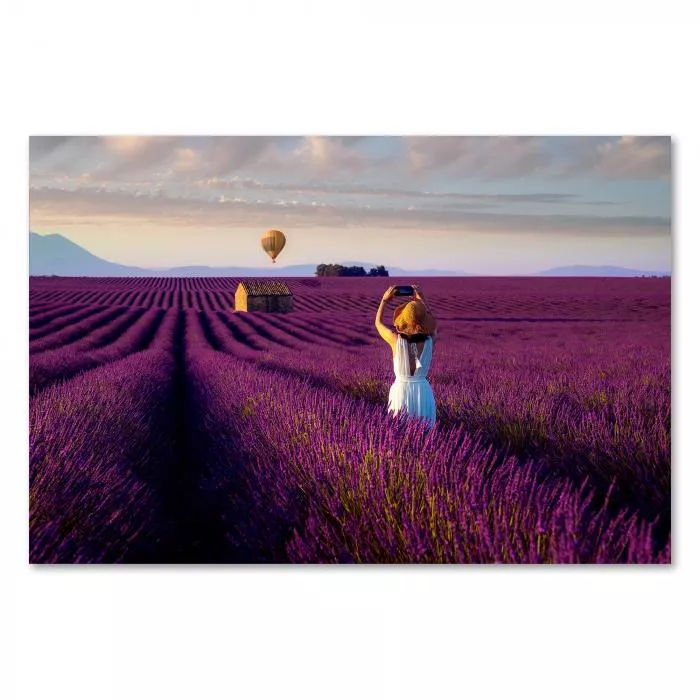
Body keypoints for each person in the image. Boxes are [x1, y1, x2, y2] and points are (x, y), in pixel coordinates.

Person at [375, 284, 437, 428]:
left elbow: (378, 324)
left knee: (399, 433)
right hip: (423, 392)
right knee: (426, 436)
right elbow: (434, 328)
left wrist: (384, 301)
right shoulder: (430, 341)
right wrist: (424, 300)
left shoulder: (396, 340)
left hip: (401, 391)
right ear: (424, 322)